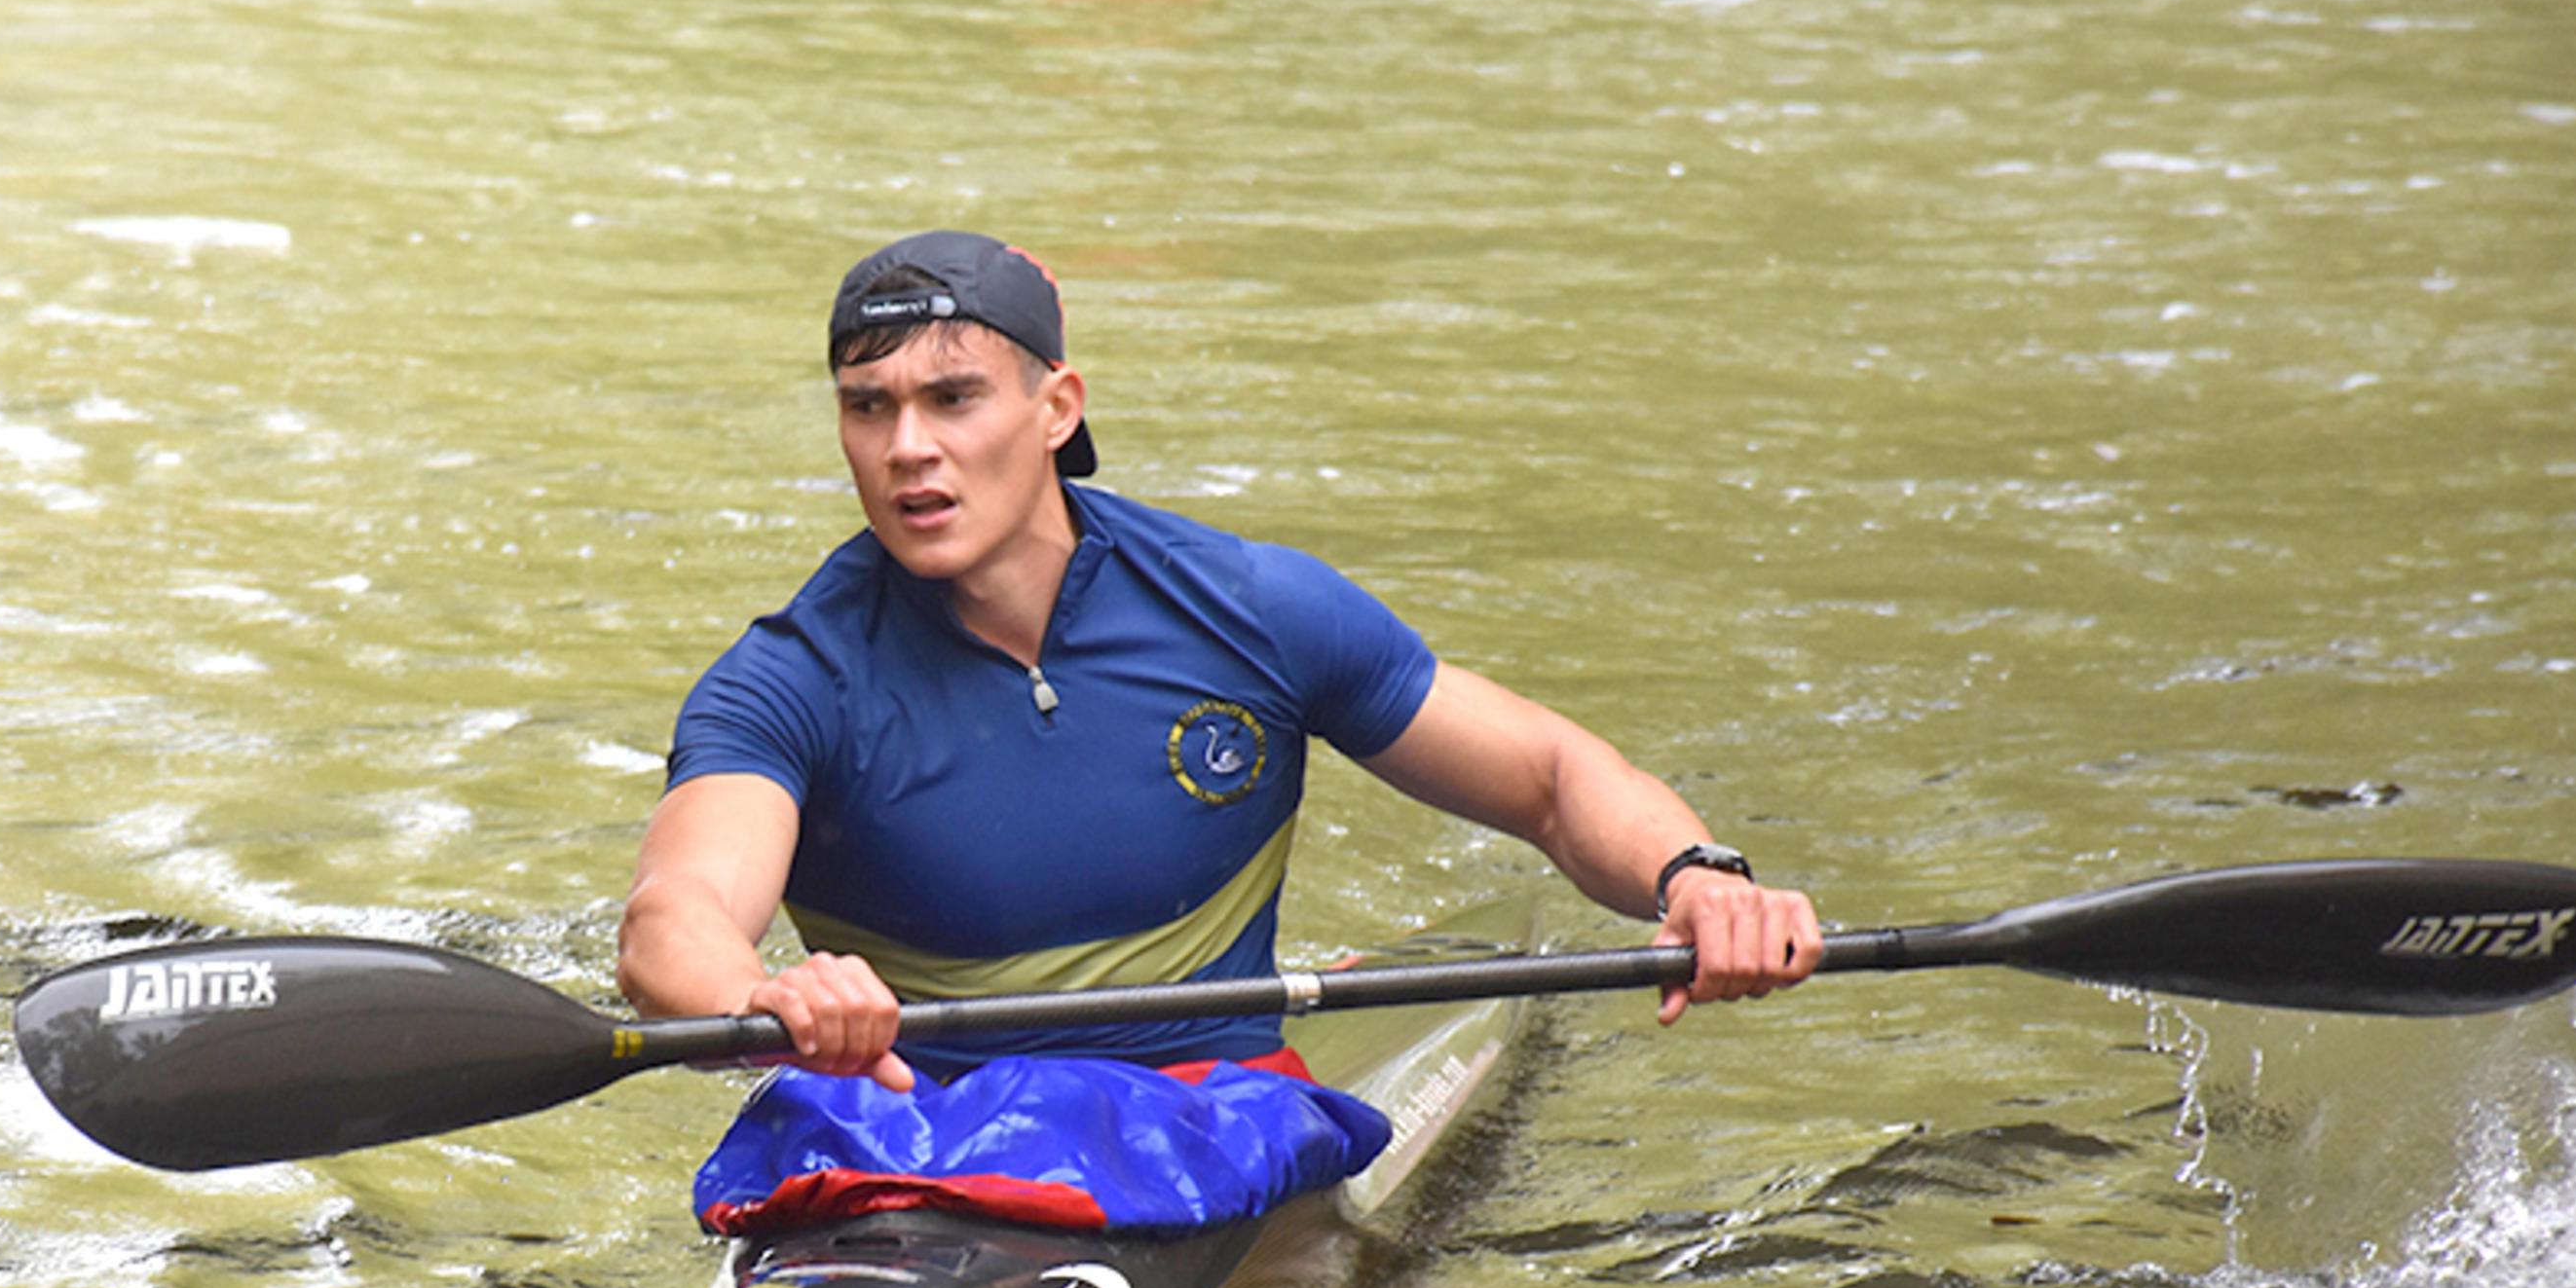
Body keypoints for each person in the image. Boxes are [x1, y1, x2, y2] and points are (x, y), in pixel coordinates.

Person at [618, 230, 1822, 1091]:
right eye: (866, 408)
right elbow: (675, 915)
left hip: (1214, 1120)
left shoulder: (1246, 606)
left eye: (952, 397)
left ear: (1056, 407)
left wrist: (1697, 877)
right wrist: (763, 998)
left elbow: (1551, 780)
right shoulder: (790, 678)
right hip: (916, 1140)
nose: (907, 448)